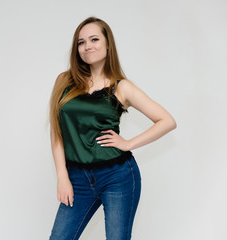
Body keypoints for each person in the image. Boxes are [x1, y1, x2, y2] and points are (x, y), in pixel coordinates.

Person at [48, 16, 177, 240]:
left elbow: (167, 120)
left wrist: (128, 144)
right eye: (81, 42)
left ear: (108, 44)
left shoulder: (122, 87)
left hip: (117, 176)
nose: (87, 46)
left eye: (94, 39)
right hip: (77, 177)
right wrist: (62, 175)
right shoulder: (64, 81)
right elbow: (57, 131)